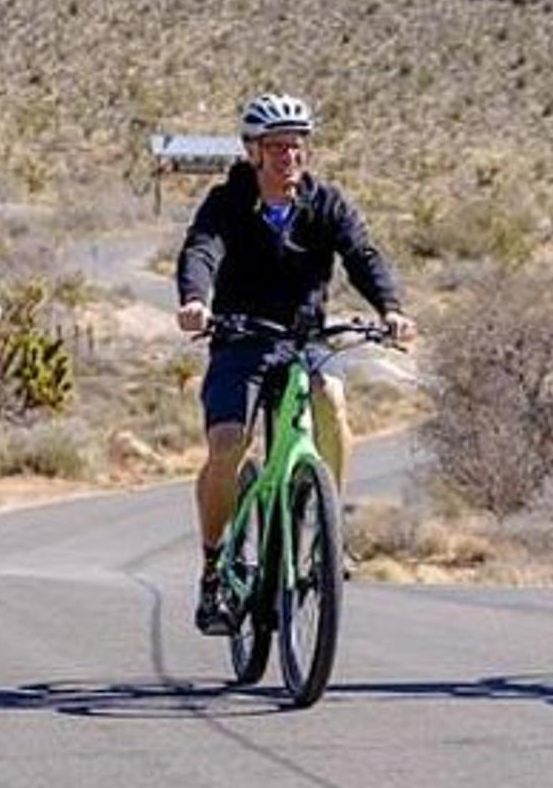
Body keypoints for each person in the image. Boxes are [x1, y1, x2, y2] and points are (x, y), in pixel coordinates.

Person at [175, 92, 415, 635]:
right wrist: (195, 299)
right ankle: (214, 567)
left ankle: (325, 524)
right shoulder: (228, 202)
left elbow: (363, 256)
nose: (289, 157)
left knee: (331, 403)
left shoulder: (325, 203)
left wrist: (393, 309)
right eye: (277, 147)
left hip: (307, 339)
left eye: (297, 146)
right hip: (242, 338)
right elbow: (202, 248)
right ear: (253, 152)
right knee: (228, 444)